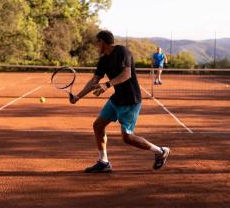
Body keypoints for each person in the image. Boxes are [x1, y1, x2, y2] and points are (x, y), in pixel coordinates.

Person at [69, 30, 170, 173]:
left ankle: (160, 151)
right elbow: (94, 80)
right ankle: (104, 162)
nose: (96, 46)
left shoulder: (122, 51)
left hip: (131, 100)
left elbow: (127, 74)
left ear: (102, 42)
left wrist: (108, 84)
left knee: (127, 137)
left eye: (97, 43)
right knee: (98, 125)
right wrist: (78, 96)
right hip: (117, 99)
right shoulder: (104, 59)